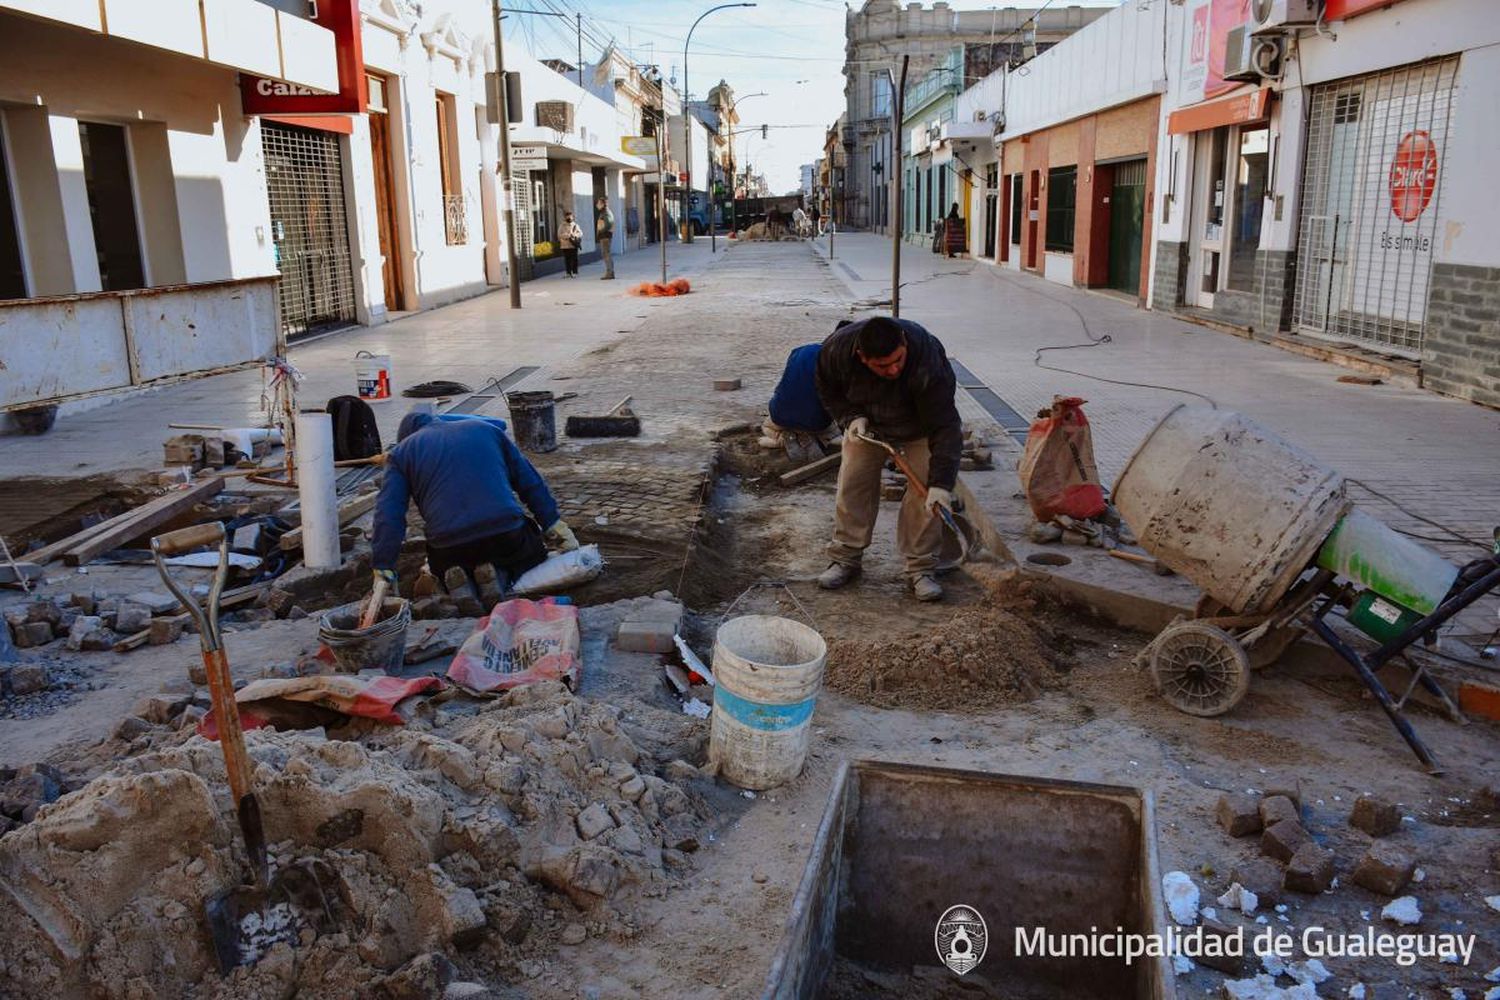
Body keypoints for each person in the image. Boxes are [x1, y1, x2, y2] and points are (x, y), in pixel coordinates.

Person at [814, 316, 963, 602]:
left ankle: (920, 568)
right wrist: (849, 417)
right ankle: (845, 557)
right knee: (853, 484)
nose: (893, 369)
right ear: (862, 357)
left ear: (904, 343)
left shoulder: (927, 359)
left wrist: (941, 484)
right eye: (882, 365)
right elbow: (827, 389)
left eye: (898, 360)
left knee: (926, 495)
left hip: (920, 427)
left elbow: (945, 425)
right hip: (867, 424)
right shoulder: (836, 351)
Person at [370, 410, 579, 600]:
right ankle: (501, 576)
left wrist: (383, 566)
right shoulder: (487, 430)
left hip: (450, 547)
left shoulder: (401, 454)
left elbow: (388, 514)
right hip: (507, 534)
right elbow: (530, 482)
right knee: (529, 553)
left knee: (444, 567)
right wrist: (553, 524)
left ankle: (467, 582)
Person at [761, 342, 837, 450]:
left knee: (766, 426)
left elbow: (783, 384)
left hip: (781, 416)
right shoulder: (837, 361)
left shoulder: (799, 351)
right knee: (833, 431)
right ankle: (820, 438)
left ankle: (779, 439)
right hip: (816, 423)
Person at [595, 196, 615, 279]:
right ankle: (610, 272)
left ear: (602, 204)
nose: (597, 205)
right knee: (606, 254)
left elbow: (609, 223)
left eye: (598, 203)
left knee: (606, 254)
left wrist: (602, 230)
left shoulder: (606, 212)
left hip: (605, 236)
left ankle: (609, 273)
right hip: (604, 236)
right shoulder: (604, 212)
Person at [559, 211, 583, 278]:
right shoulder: (562, 226)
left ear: (572, 217)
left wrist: (575, 235)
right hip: (565, 245)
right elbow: (559, 235)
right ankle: (568, 273)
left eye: (570, 216)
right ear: (565, 217)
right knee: (567, 259)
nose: (569, 218)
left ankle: (575, 272)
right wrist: (567, 235)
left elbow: (580, 233)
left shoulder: (575, 225)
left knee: (574, 259)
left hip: (573, 245)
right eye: (567, 216)